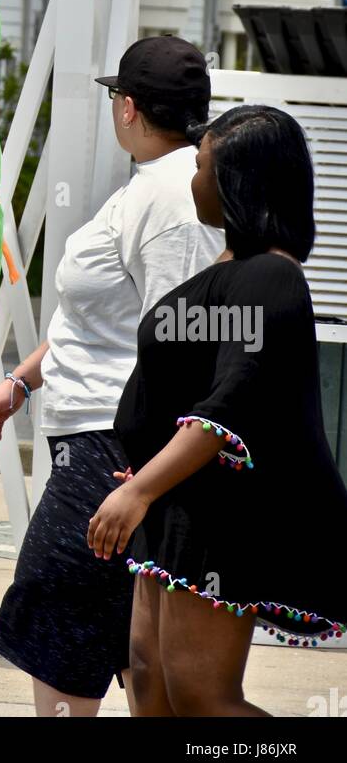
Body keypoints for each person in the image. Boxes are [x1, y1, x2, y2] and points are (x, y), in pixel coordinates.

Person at [0, 36, 224, 717]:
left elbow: (180, 342)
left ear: (130, 107)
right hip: (94, 436)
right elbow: (101, 326)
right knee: (116, 631)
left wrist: (147, 478)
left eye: (117, 95)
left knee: (57, 607)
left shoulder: (173, 199)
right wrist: (22, 382)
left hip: (113, 442)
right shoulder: (154, 184)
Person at [88, 105, 347, 717]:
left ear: (240, 181)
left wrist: (140, 490)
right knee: (150, 682)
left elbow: (228, 407)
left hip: (222, 521)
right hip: (177, 510)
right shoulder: (229, 271)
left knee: (202, 697)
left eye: (203, 167)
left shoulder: (270, 280)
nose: (193, 180)